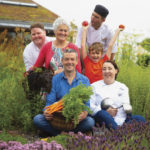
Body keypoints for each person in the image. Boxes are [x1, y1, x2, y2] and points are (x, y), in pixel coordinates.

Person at [33, 49, 95, 136]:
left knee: (90, 122)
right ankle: (67, 134)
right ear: (62, 61)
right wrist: (46, 111)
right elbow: (50, 102)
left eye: (72, 59)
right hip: (57, 118)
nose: (69, 62)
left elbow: (86, 104)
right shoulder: (55, 79)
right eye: (66, 59)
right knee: (38, 119)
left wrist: (84, 114)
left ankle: (56, 134)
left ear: (77, 61)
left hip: (74, 119)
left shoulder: (84, 80)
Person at [90, 60, 145, 130]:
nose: (107, 71)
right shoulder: (93, 86)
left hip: (122, 119)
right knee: (102, 114)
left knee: (140, 119)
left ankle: (118, 130)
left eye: (110, 68)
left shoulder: (123, 87)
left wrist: (117, 110)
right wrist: (106, 111)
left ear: (116, 71)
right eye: (104, 69)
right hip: (103, 119)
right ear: (102, 72)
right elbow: (91, 107)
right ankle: (119, 133)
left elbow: (126, 106)